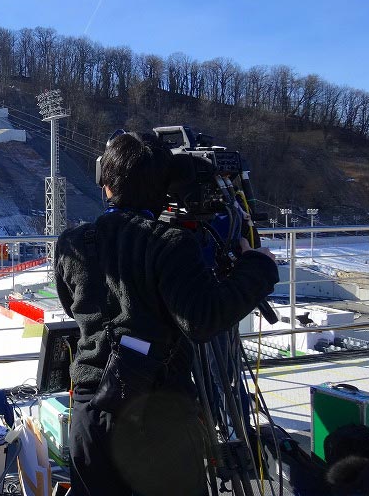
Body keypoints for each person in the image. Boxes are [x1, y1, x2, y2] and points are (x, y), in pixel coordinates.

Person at [55, 132, 279, 496]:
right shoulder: (171, 245)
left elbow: (74, 307)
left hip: (91, 413)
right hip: (159, 419)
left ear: (105, 184)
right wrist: (258, 267)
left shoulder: (72, 242)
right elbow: (203, 319)